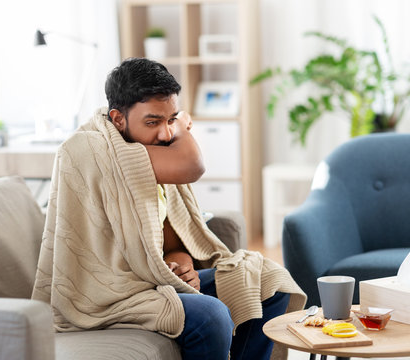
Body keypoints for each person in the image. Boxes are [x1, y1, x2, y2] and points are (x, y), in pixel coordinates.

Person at [32, 58, 306, 360]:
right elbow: (192, 164)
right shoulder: (88, 148)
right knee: (211, 315)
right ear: (118, 118)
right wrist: (183, 124)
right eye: (153, 122)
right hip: (112, 295)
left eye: (170, 119)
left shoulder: (147, 153)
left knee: (269, 280)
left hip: (153, 280)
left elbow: (170, 242)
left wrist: (182, 266)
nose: (165, 134)